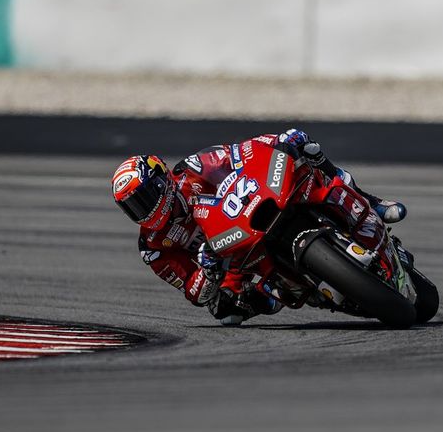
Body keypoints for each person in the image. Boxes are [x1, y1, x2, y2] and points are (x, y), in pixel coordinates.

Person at [111, 129, 407, 325]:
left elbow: (241, 153)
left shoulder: (192, 170)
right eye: (133, 207)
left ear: (163, 181)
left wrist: (279, 141)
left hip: (254, 209)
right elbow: (194, 292)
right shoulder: (152, 247)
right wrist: (208, 272)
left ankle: (371, 202)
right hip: (234, 263)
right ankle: (304, 290)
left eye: (145, 198)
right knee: (226, 311)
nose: (144, 210)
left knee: (309, 160)